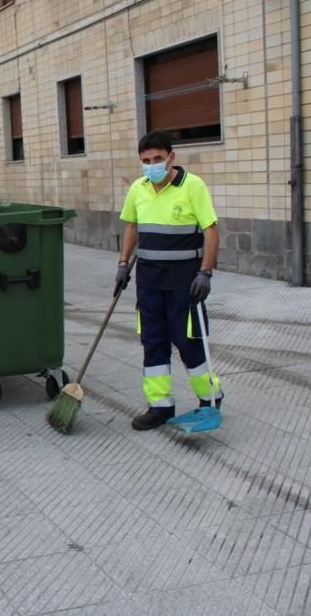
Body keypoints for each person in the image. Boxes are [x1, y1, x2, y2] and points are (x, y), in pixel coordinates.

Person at [117, 130, 221, 430]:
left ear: (171, 157)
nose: (152, 165)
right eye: (146, 161)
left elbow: (211, 230)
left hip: (184, 283)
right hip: (148, 282)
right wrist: (123, 263)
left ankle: (210, 398)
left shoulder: (193, 186)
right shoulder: (138, 188)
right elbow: (132, 227)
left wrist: (206, 272)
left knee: (188, 342)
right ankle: (160, 406)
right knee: (153, 343)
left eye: (158, 159)